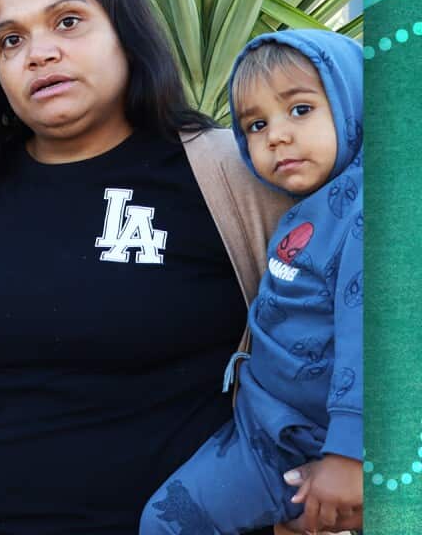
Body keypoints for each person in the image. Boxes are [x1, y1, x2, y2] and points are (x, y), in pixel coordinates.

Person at [0, 0, 337, 533]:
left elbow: (363, 310)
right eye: (11, 40)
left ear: (125, 34)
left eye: (68, 22)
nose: (39, 53)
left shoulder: (231, 174)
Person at [141, 30, 363, 534]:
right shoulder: (303, 206)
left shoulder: (372, 213)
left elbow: (376, 336)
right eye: (256, 124)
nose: (276, 136)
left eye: (300, 110)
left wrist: (351, 455)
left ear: (352, 99)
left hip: (329, 443)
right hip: (264, 435)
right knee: (165, 521)